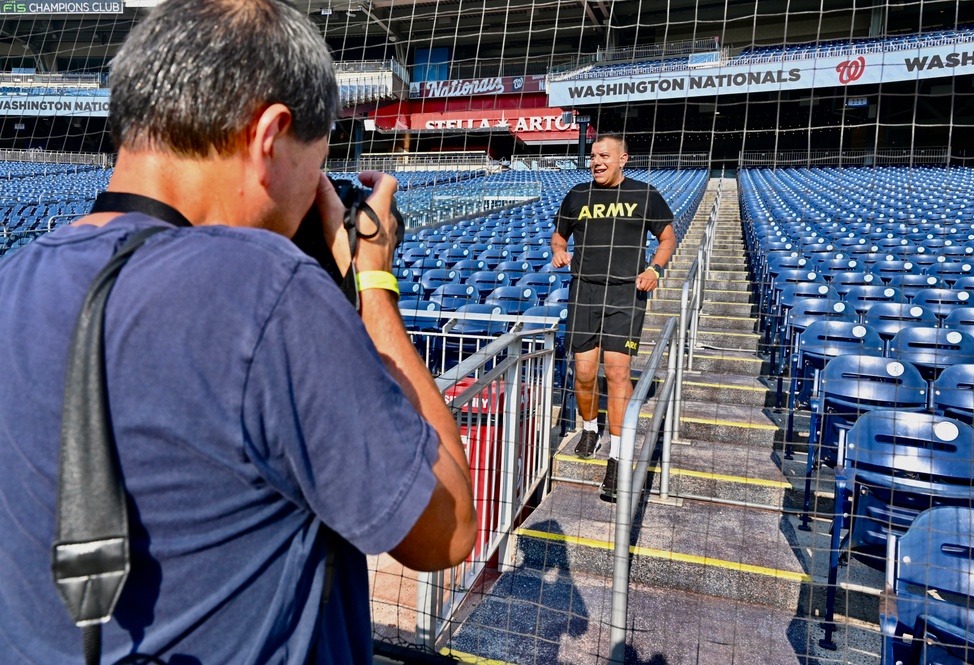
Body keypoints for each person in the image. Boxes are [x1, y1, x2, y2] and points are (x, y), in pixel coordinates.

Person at [0, 1, 476, 664]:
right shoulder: (266, 289)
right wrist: (372, 281)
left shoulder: (15, 275)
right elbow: (447, 531)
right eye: (317, 163)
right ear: (271, 135)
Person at [550, 133, 677, 502]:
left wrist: (655, 269)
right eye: (593, 156)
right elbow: (558, 238)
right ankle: (590, 427)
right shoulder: (577, 195)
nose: (597, 161)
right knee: (585, 374)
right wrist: (559, 252)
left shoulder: (645, 194)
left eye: (605, 155)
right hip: (584, 291)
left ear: (624, 158)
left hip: (626, 293)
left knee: (618, 373)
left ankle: (617, 458)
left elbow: (667, 239)